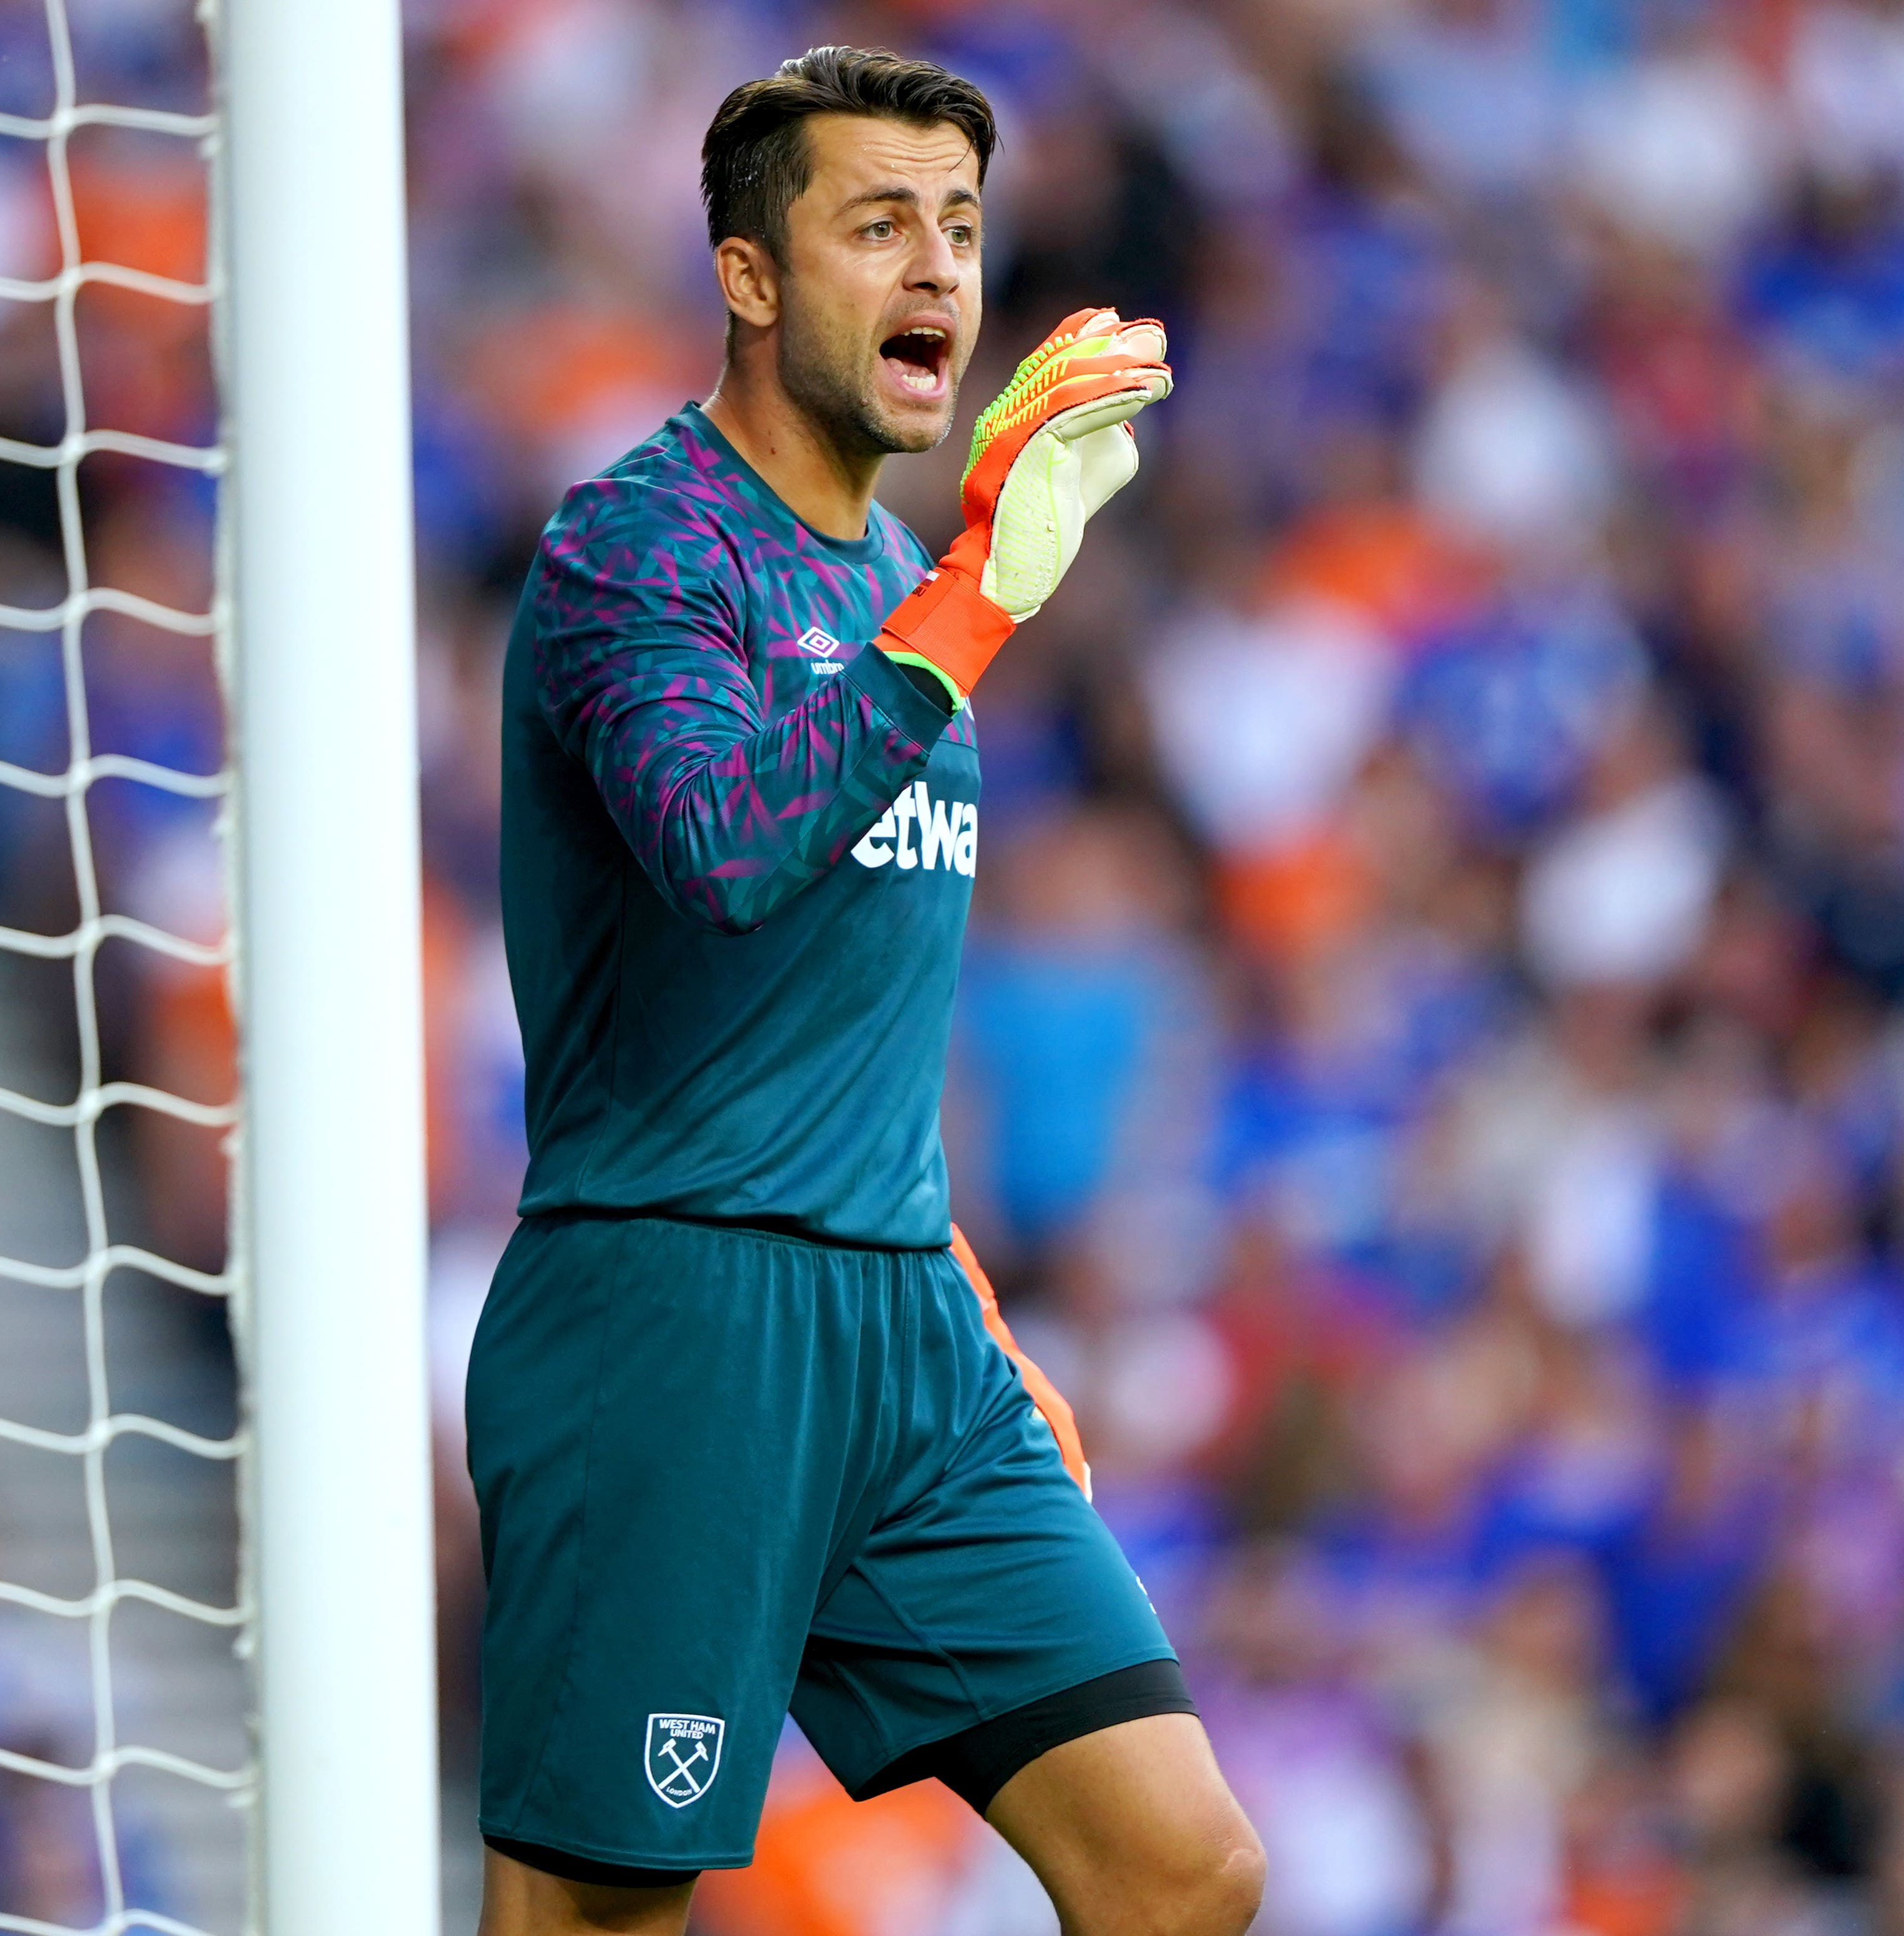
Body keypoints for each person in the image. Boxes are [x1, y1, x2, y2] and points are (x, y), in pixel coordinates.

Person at [469, 44, 1267, 1936]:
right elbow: (725, 851)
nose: (936, 272)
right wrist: (979, 595)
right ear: (748, 275)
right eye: (878, 223)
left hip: (904, 1322)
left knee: (1180, 1866)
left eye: (964, 230)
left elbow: (842, 1030)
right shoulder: (637, 548)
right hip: (672, 1310)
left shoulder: (902, 575)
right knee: (598, 1913)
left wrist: (962, 1297)